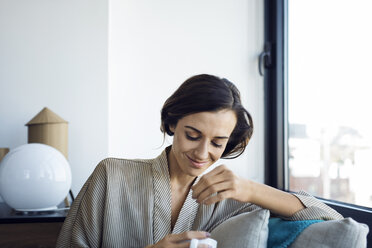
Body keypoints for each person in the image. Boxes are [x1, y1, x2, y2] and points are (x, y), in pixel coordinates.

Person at [56, 74, 342, 248]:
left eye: (218, 143)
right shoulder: (112, 176)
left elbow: (332, 219)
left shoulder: (233, 197)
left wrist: (251, 190)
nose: (203, 153)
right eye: (193, 135)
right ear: (171, 124)